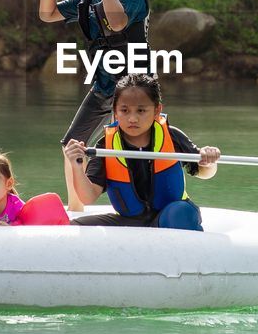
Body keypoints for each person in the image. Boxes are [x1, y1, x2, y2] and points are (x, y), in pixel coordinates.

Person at [39, 0, 150, 211]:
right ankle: (75, 209)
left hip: (135, 90)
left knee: (136, 147)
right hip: (104, 85)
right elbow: (48, 14)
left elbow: (117, 22)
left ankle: (141, 205)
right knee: (71, 145)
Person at [61, 74, 218, 230]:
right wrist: (76, 165)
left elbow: (204, 172)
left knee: (179, 212)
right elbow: (87, 197)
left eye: (141, 110)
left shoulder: (172, 136)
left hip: (169, 216)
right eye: (125, 110)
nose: (132, 119)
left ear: (157, 110)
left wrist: (209, 162)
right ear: (115, 111)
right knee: (75, 227)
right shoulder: (105, 146)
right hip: (129, 220)